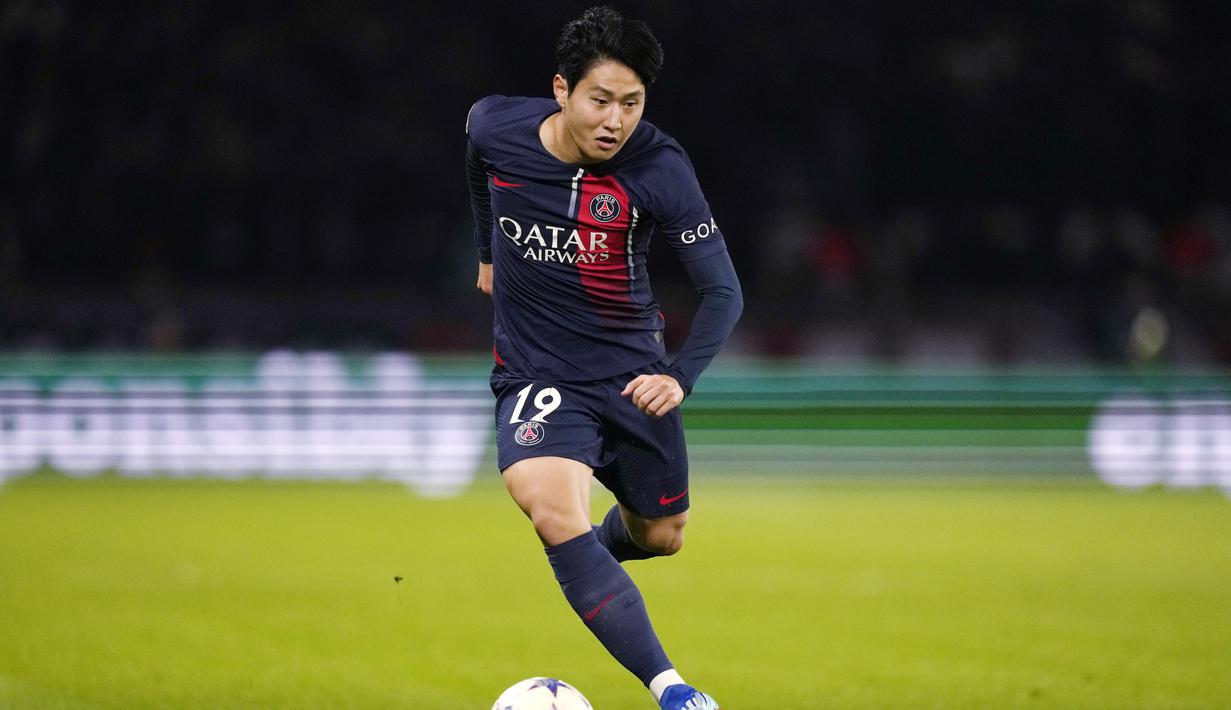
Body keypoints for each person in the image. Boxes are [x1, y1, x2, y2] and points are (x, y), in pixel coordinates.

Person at [465, 7, 742, 709]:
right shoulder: (496, 126)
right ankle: (675, 692)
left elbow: (722, 292)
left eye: (631, 103)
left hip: (630, 377)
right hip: (538, 375)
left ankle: (583, 561)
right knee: (550, 509)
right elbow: (477, 162)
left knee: (662, 534)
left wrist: (676, 378)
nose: (615, 119)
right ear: (561, 90)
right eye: (600, 99)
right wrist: (487, 254)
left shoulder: (659, 167)